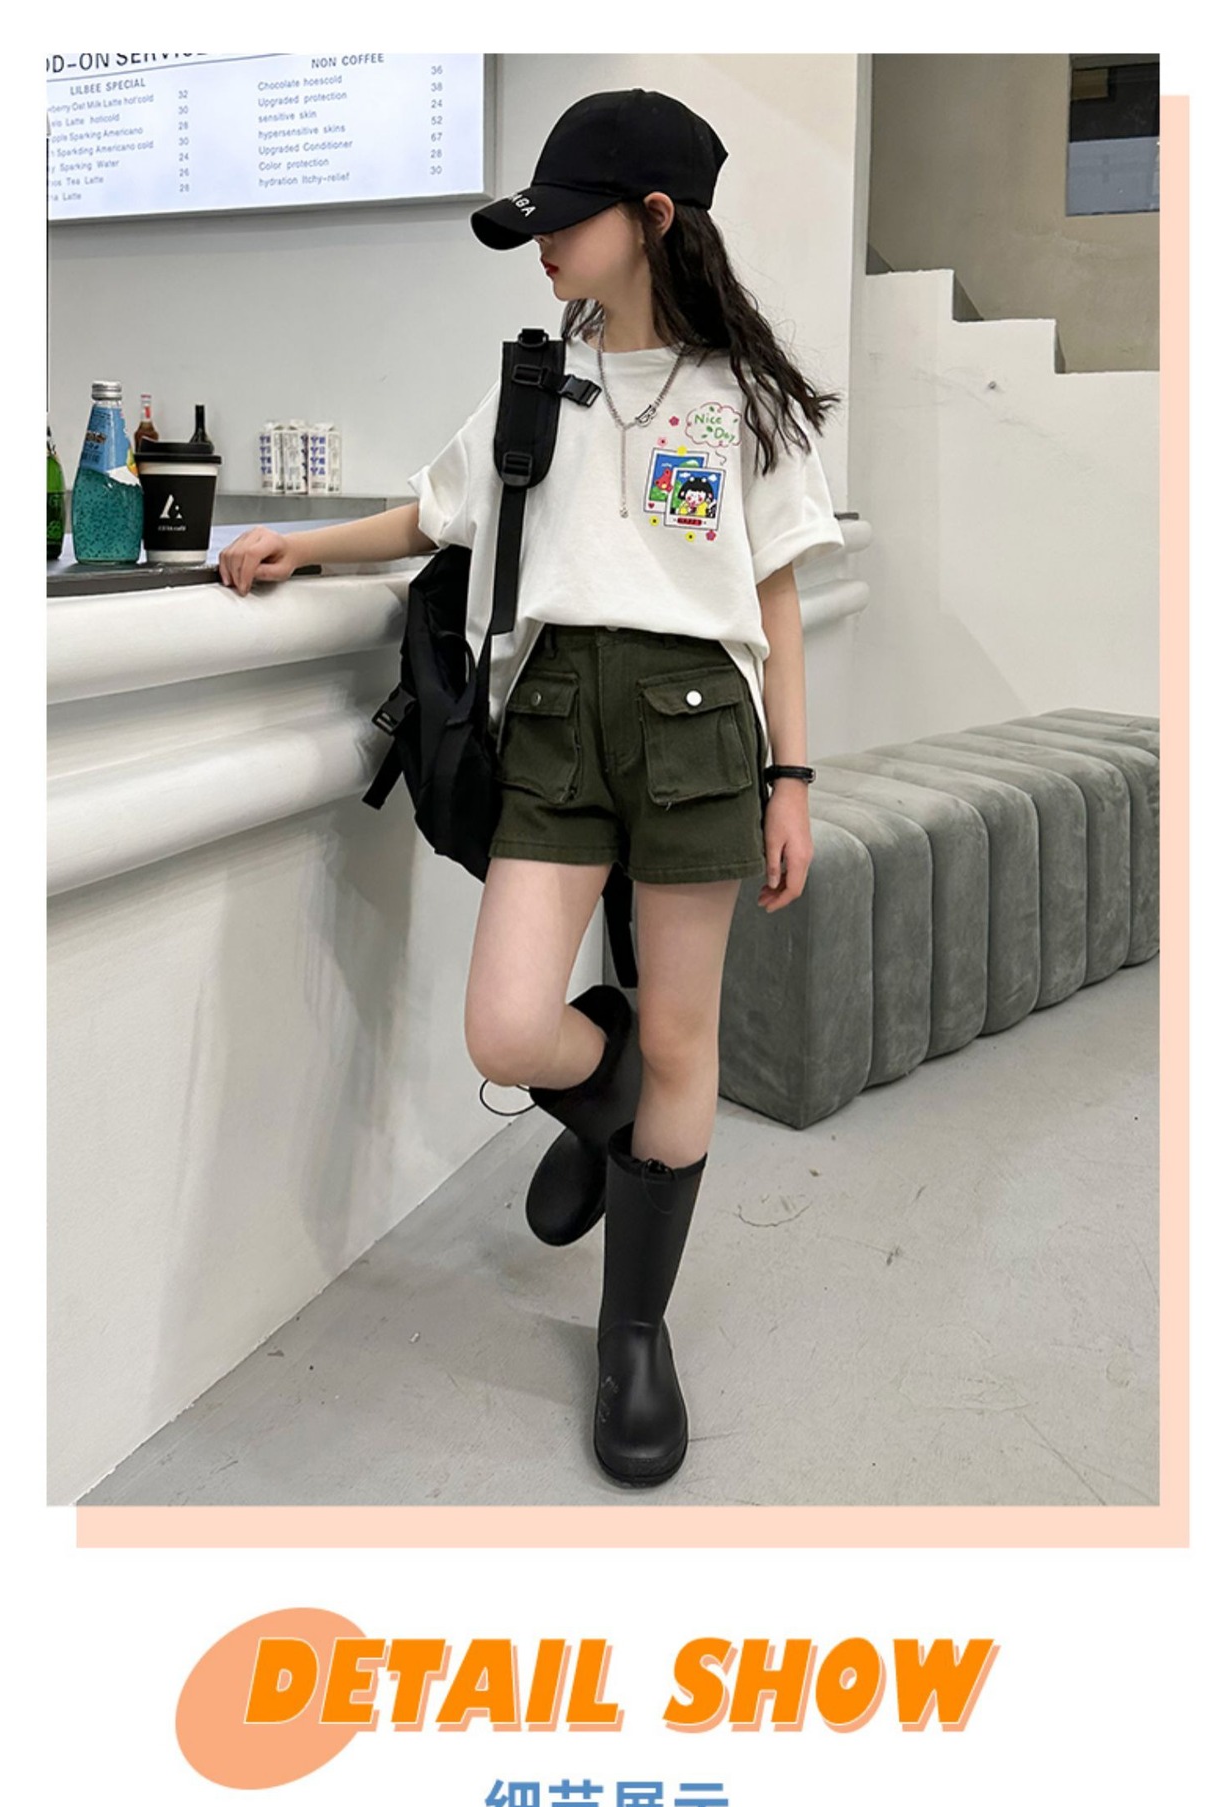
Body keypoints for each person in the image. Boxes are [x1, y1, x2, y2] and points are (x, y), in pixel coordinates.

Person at [219, 87, 845, 1493]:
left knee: (685, 1038)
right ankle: (617, 1100)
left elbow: (777, 604)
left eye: (566, 221)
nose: (543, 246)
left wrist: (794, 780)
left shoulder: (742, 398)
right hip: (554, 724)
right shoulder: (533, 381)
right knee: (508, 1028)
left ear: (654, 219)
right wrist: (304, 546)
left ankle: (635, 1334)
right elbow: (434, 514)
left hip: (699, 731)